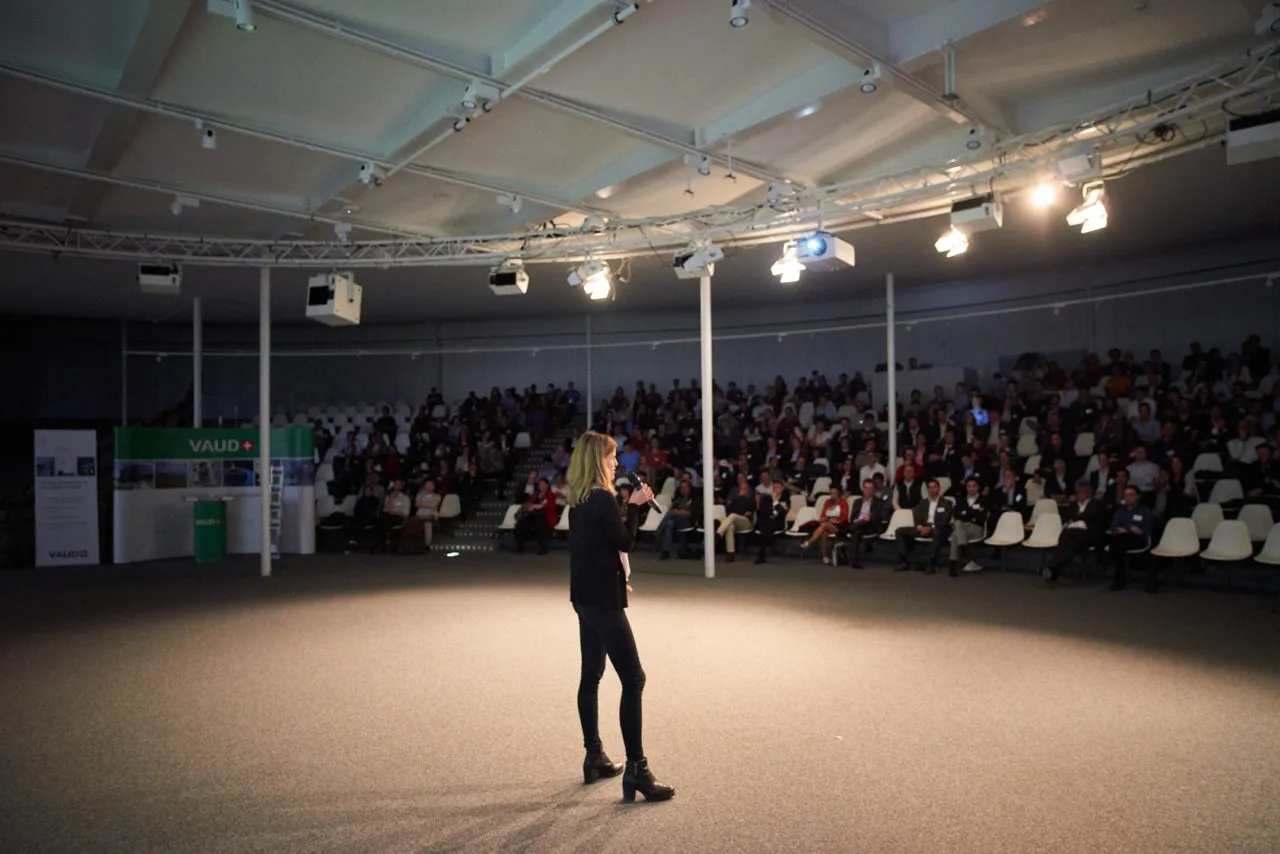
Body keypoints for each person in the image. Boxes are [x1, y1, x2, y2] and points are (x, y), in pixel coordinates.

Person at [567, 431, 674, 802]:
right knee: (634, 678)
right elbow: (625, 542)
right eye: (612, 457)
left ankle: (593, 754)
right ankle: (637, 771)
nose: (616, 463)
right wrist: (637, 505)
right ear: (599, 460)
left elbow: (594, 550)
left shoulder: (578, 500)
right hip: (602, 602)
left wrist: (627, 504)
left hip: (584, 598)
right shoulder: (604, 499)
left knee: (591, 676)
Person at [1042, 481, 1107, 586]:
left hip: (1088, 533)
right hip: (1072, 532)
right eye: (1078, 493)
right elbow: (1067, 517)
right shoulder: (1073, 505)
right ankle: (1055, 567)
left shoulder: (1097, 504)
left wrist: (1076, 519)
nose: (1079, 495)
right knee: (1066, 541)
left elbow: (1090, 516)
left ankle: (1053, 566)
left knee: (1073, 542)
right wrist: (1077, 519)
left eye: (1082, 493)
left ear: (1088, 493)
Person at [894, 478, 953, 574]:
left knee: (937, 532)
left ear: (939, 489)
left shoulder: (946, 503)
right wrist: (920, 526)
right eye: (929, 487)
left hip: (938, 528)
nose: (931, 489)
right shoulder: (923, 502)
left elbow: (945, 520)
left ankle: (932, 564)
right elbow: (917, 516)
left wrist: (931, 527)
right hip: (923, 527)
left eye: (934, 487)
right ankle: (903, 561)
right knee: (900, 531)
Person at [1106, 485, 1154, 592]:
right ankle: (1119, 579)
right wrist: (1129, 528)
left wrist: (1125, 528)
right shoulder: (1120, 512)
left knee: (1117, 545)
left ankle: (1119, 579)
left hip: (1139, 539)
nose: (1128, 498)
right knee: (1117, 544)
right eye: (1126, 495)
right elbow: (1113, 527)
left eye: (1131, 495)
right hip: (1121, 539)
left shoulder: (1145, 511)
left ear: (1138, 496)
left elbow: (1146, 531)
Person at [948, 476, 989, 576]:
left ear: (978, 487)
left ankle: (953, 563)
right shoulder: (961, 500)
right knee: (957, 528)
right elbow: (957, 514)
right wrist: (972, 513)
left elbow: (981, 517)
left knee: (956, 532)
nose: (971, 488)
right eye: (969, 486)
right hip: (962, 527)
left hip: (976, 528)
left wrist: (966, 513)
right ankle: (963, 548)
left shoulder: (983, 499)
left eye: (974, 486)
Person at [802, 484, 849, 565]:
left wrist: (834, 521)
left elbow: (844, 518)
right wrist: (828, 519)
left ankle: (809, 542)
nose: (832, 495)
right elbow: (822, 516)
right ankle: (825, 557)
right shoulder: (827, 502)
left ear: (839, 493)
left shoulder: (843, 502)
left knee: (824, 525)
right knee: (824, 532)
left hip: (840, 526)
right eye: (831, 493)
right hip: (828, 524)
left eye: (835, 493)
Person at [844, 479, 885, 568]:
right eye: (866, 488)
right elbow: (852, 518)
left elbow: (878, 516)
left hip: (871, 526)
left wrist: (870, 517)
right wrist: (857, 520)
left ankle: (846, 530)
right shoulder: (857, 501)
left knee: (861, 524)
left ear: (874, 490)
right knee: (856, 532)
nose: (868, 491)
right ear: (863, 489)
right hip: (858, 525)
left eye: (870, 488)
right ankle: (855, 561)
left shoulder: (878, 502)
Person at [654, 480, 698, 560]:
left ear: (690, 488)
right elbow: (672, 509)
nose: (684, 489)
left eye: (686, 487)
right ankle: (665, 551)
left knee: (671, 516)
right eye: (682, 488)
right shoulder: (679, 498)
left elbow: (693, 513)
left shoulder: (694, 498)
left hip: (688, 521)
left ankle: (658, 532)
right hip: (676, 521)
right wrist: (679, 512)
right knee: (669, 523)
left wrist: (680, 512)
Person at [716, 477, 755, 563]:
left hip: (746, 522)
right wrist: (738, 498)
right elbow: (728, 510)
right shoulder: (735, 500)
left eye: (745, 489)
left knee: (733, 515)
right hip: (735, 521)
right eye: (741, 489)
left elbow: (750, 511)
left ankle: (718, 534)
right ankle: (730, 553)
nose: (743, 490)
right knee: (730, 526)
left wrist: (742, 500)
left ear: (748, 490)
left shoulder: (751, 500)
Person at [515, 478, 557, 555]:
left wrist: (536, 506)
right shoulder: (535, 494)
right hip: (533, 514)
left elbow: (548, 506)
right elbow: (530, 503)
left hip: (545, 515)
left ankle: (543, 548)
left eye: (543, 485)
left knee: (540, 525)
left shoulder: (550, 495)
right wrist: (533, 506)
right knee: (521, 524)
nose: (541, 486)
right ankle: (519, 547)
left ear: (547, 485)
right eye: (540, 485)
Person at [753, 480, 789, 564]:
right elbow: (762, 511)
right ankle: (764, 553)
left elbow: (783, 513)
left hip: (779, 522)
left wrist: (775, 501)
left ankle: (761, 556)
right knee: (766, 525)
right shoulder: (766, 498)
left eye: (778, 487)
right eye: (774, 488)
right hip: (767, 521)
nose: (776, 489)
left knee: (765, 528)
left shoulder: (785, 499)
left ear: (782, 489)